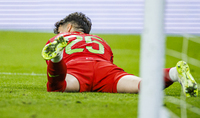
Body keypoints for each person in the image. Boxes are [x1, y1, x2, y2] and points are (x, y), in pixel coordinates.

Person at [41, 12, 198, 97]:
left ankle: (57, 56)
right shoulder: (100, 40)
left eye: (59, 29)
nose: (58, 32)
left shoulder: (60, 38)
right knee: (143, 85)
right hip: (105, 68)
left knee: (57, 87)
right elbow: (109, 59)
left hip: (76, 70)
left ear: (68, 28)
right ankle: (173, 73)